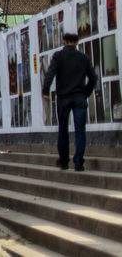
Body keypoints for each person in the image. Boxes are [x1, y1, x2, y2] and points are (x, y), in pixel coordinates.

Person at [42, 30, 100, 172]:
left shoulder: (58, 56)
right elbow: (93, 78)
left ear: (64, 41)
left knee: (63, 129)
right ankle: (78, 162)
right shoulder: (83, 58)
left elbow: (50, 74)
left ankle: (63, 161)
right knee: (80, 130)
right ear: (77, 42)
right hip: (79, 97)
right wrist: (85, 93)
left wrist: (45, 91)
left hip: (63, 98)